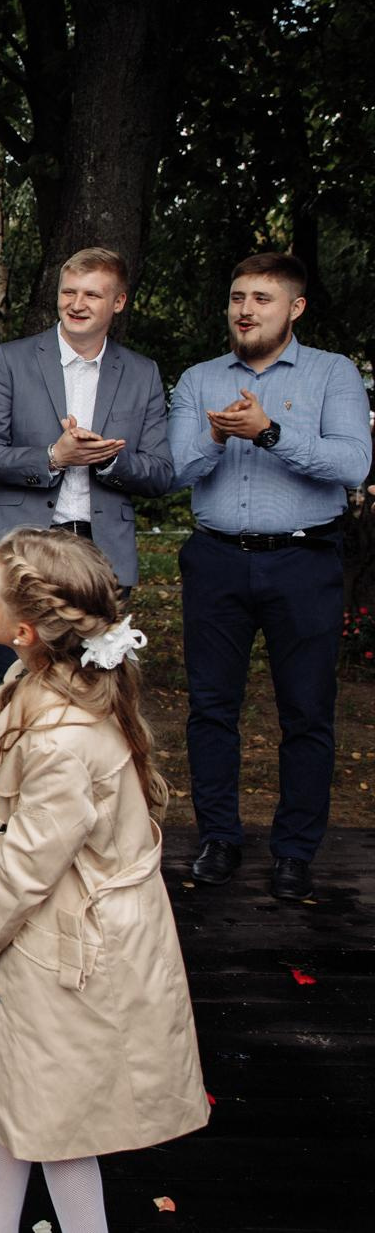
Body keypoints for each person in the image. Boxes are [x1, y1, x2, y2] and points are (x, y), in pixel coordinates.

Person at [0, 528, 210, 1233]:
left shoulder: (63, 738)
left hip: (64, 950)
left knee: (58, 1124)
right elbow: (0, 817)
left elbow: (31, 865)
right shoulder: (38, 686)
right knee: (16, 1099)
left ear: (24, 629)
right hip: (44, 940)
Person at [169, 253, 372, 899]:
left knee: (307, 713)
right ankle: (218, 838)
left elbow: (354, 464)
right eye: (236, 297)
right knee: (210, 709)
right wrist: (217, 437)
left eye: (261, 297)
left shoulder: (332, 372)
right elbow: (177, 469)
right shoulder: (200, 378)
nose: (245, 309)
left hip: (304, 560)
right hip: (216, 559)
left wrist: (270, 431)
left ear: (295, 307)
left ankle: (294, 851)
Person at [0, 248, 173, 826]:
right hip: (22, 559)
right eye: (69, 292)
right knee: (9, 695)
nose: (77, 304)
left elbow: (161, 472)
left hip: (100, 564)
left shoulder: (142, 372)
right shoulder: (12, 360)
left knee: (100, 700)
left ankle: (94, 836)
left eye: (93, 294)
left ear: (118, 303)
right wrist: (53, 456)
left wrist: (108, 461)